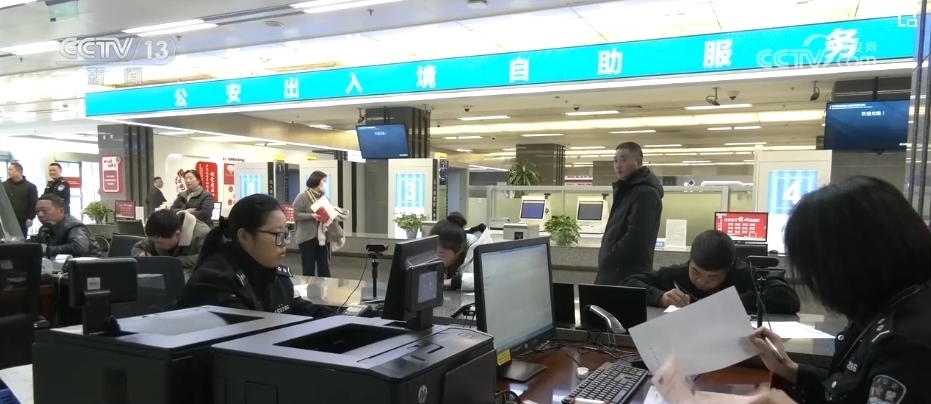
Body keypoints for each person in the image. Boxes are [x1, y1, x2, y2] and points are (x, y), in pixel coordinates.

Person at [747, 176, 931, 404]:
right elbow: (850, 391)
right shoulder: (885, 306)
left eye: (814, 267)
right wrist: (789, 369)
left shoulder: (908, 345)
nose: (814, 281)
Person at [175, 194, 333, 318]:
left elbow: (298, 308)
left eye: (286, 234)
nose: (284, 242)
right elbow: (251, 335)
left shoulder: (272, 273)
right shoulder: (217, 281)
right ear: (244, 236)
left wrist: (343, 322)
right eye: (278, 234)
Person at [622, 230, 799, 314]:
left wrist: (730, 302)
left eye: (713, 277)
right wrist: (659, 297)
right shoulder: (676, 274)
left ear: (728, 269)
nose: (701, 281)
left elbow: (788, 298)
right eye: (696, 272)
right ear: (690, 261)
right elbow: (628, 283)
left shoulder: (743, 275)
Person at [595, 142, 664, 286]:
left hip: (627, 275)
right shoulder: (627, 190)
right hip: (614, 272)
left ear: (638, 162)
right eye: (615, 161)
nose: (618, 165)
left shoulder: (645, 194)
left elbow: (636, 237)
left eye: (623, 160)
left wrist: (609, 256)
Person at [131, 209, 211, 280]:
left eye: (159, 243)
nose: (155, 245)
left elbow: (209, 258)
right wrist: (142, 255)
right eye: (153, 241)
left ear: (177, 235)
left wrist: (173, 261)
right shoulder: (159, 232)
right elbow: (138, 247)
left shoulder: (202, 234)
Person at [429, 212, 492, 292]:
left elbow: (485, 279)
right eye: (434, 253)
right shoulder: (456, 242)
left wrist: (452, 282)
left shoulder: (478, 252)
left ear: (459, 250)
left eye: (441, 255)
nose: (436, 258)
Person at [35, 194, 101, 258]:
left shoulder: (73, 226)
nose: (40, 215)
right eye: (37, 211)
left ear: (61, 211)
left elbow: (79, 247)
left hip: (86, 263)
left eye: (44, 210)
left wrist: (48, 250)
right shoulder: (45, 228)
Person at [291, 171, 331, 277]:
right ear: (317, 181)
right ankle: (308, 287)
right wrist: (311, 216)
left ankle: (324, 287)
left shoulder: (324, 198)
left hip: (321, 238)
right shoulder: (303, 196)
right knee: (308, 268)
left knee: (324, 268)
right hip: (306, 238)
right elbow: (295, 214)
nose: (325, 184)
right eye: (324, 181)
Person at [3, 162, 38, 238]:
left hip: (21, 220)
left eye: (10, 169)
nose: (8, 171)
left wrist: (30, 218)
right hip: (4, 219)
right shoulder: (3, 185)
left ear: (19, 171)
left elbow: (33, 204)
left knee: (20, 240)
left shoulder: (30, 187)